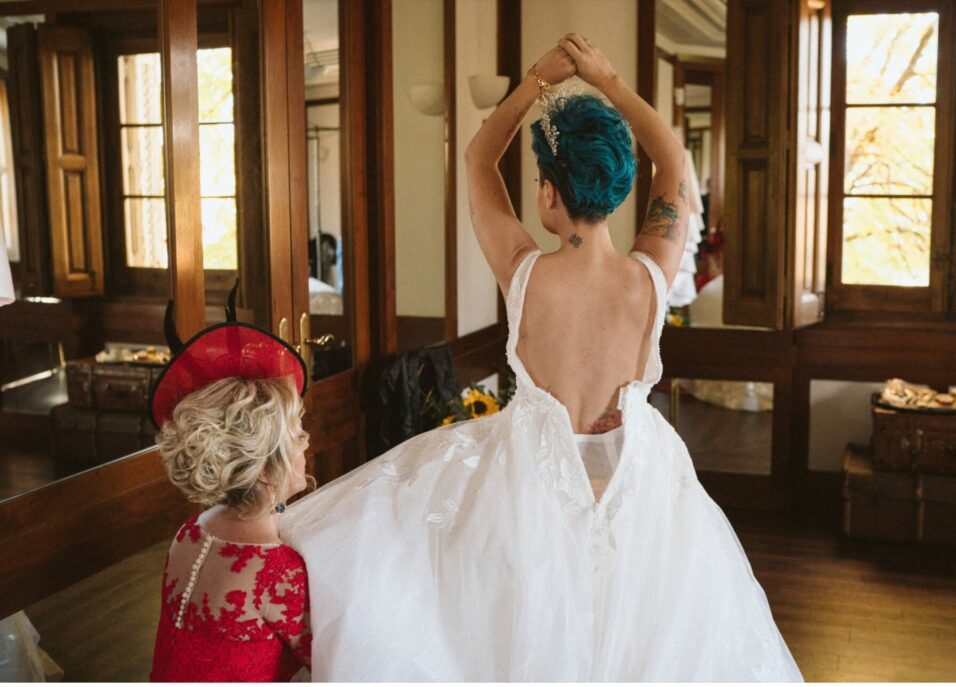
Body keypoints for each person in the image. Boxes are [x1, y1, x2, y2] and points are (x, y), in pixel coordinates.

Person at [281, 34, 803, 681]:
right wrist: (607, 79)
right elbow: (673, 160)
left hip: (524, 498)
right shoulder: (648, 278)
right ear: (617, 186)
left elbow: (477, 159)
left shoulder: (524, 274)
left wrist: (539, 81)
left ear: (549, 193)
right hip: (636, 493)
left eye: (539, 182)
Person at [148, 304, 314, 682]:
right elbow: (337, 658)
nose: (306, 445)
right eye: (296, 438)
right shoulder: (277, 572)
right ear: (266, 471)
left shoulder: (191, 532)